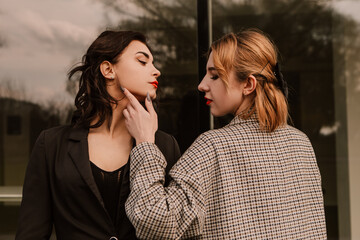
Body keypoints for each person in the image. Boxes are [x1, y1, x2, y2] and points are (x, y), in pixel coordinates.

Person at [122, 28, 327, 239]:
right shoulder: (301, 143)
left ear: (248, 84)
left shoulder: (214, 146)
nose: (202, 85)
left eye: (214, 76)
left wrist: (145, 143)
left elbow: (155, 223)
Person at [15, 30, 181, 240]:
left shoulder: (165, 145)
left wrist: (145, 143)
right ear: (108, 69)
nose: (156, 71)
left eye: (154, 63)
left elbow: (172, 227)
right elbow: (31, 233)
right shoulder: (51, 145)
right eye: (142, 61)